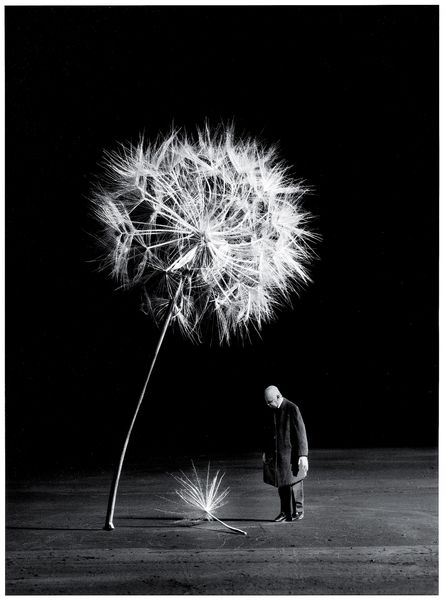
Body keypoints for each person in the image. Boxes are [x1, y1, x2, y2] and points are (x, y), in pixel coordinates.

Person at [262, 385, 309, 522]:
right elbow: (269, 434)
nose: (268, 404)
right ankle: (284, 512)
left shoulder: (292, 408)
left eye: (270, 401)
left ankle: (298, 511)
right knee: (282, 484)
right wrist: (266, 452)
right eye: (267, 402)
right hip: (279, 456)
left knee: (295, 484)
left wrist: (303, 455)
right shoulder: (272, 410)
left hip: (291, 456)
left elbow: (301, 433)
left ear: (278, 396)